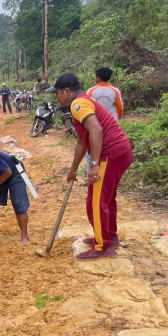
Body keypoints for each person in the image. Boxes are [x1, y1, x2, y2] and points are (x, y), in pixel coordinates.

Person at [46, 72, 134, 261]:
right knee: (106, 198)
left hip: (110, 154)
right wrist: (73, 169)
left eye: (57, 93)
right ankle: (109, 236)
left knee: (96, 201)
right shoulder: (81, 102)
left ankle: (102, 246)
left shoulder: (78, 104)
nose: (56, 97)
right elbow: (81, 142)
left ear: (67, 91)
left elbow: (96, 130)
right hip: (120, 152)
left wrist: (93, 164)